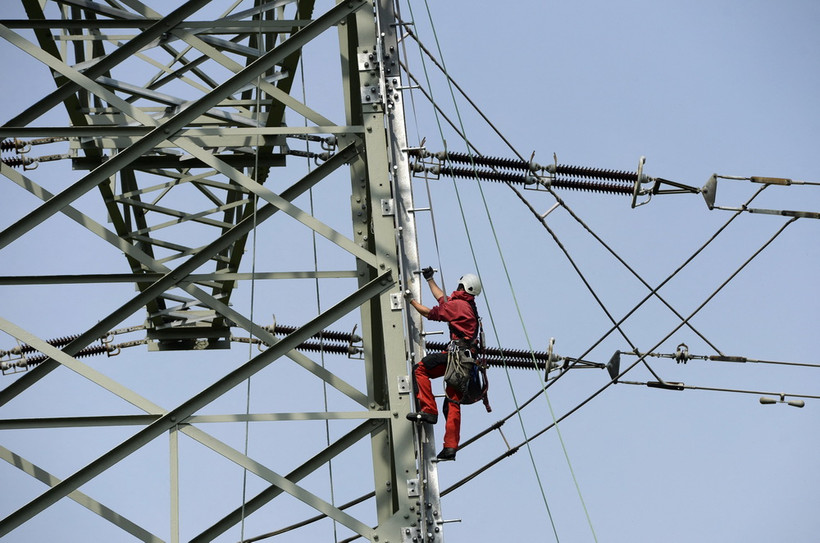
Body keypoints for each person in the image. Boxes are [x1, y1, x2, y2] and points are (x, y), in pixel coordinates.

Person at [406, 267, 482, 461]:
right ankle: (450, 447)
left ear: (462, 286)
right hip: (466, 362)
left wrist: (410, 300)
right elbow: (442, 298)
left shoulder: (459, 306)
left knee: (420, 369)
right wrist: (430, 279)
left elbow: (428, 312)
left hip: (456, 356)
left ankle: (428, 410)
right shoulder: (467, 306)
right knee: (453, 400)